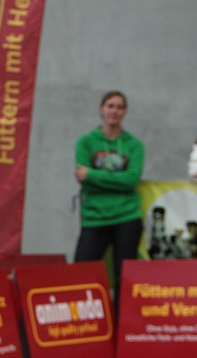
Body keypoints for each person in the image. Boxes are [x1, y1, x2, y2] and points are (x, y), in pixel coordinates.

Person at [73, 91, 144, 309]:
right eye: (110, 106)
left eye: (120, 107)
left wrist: (94, 175)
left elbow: (131, 180)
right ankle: (85, 322)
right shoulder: (86, 142)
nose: (115, 111)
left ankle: (121, 323)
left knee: (124, 276)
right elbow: (80, 176)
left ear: (125, 112)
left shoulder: (134, 145)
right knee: (81, 272)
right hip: (95, 217)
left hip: (127, 217)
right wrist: (116, 180)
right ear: (101, 109)